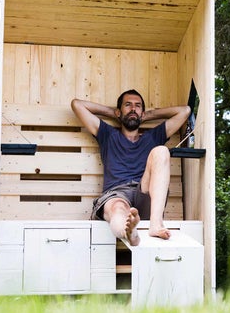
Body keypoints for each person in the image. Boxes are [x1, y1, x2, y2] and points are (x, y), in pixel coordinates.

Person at [71, 90, 190, 246]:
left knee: (161, 151)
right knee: (118, 208)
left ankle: (155, 224)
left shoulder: (153, 137)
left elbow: (185, 111)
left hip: (144, 191)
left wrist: (147, 115)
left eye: (138, 106)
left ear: (142, 113)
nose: (133, 109)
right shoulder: (108, 134)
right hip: (117, 193)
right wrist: (116, 113)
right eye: (128, 105)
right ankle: (128, 232)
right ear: (119, 111)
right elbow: (77, 105)